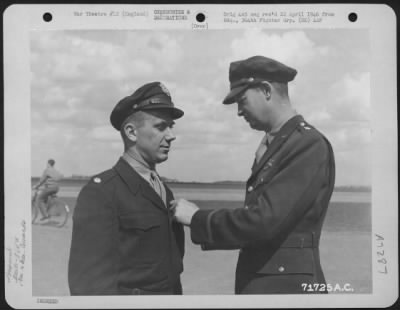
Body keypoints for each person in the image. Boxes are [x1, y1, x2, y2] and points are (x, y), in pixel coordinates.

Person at [172, 56, 336, 294]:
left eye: (242, 100)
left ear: (266, 91)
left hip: (287, 289)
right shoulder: (280, 143)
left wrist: (197, 218)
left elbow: (264, 221)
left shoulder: (307, 144)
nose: (239, 111)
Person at [68, 82, 185, 295]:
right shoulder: (101, 193)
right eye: (161, 127)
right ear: (131, 132)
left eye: (171, 126)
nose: (171, 135)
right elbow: (88, 285)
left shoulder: (163, 190)